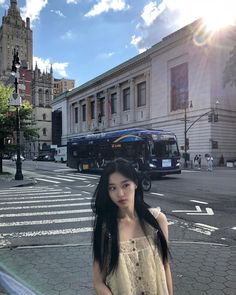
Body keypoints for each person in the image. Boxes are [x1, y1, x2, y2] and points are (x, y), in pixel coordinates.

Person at [92, 158, 173, 295]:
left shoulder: (157, 221)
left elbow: (165, 266)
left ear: (135, 183)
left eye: (125, 185)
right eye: (112, 188)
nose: (120, 194)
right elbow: (98, 282)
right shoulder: (105, 229)